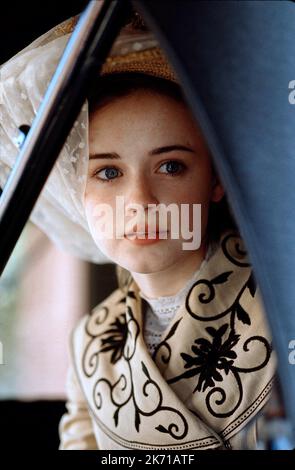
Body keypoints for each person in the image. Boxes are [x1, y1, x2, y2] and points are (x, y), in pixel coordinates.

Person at [0, 11, 276, 450]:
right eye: (108, 173)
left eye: (170, 166)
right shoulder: (90, 345)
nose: (141, 202)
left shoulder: (281, 300)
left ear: (216, 180)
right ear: (78, 191)